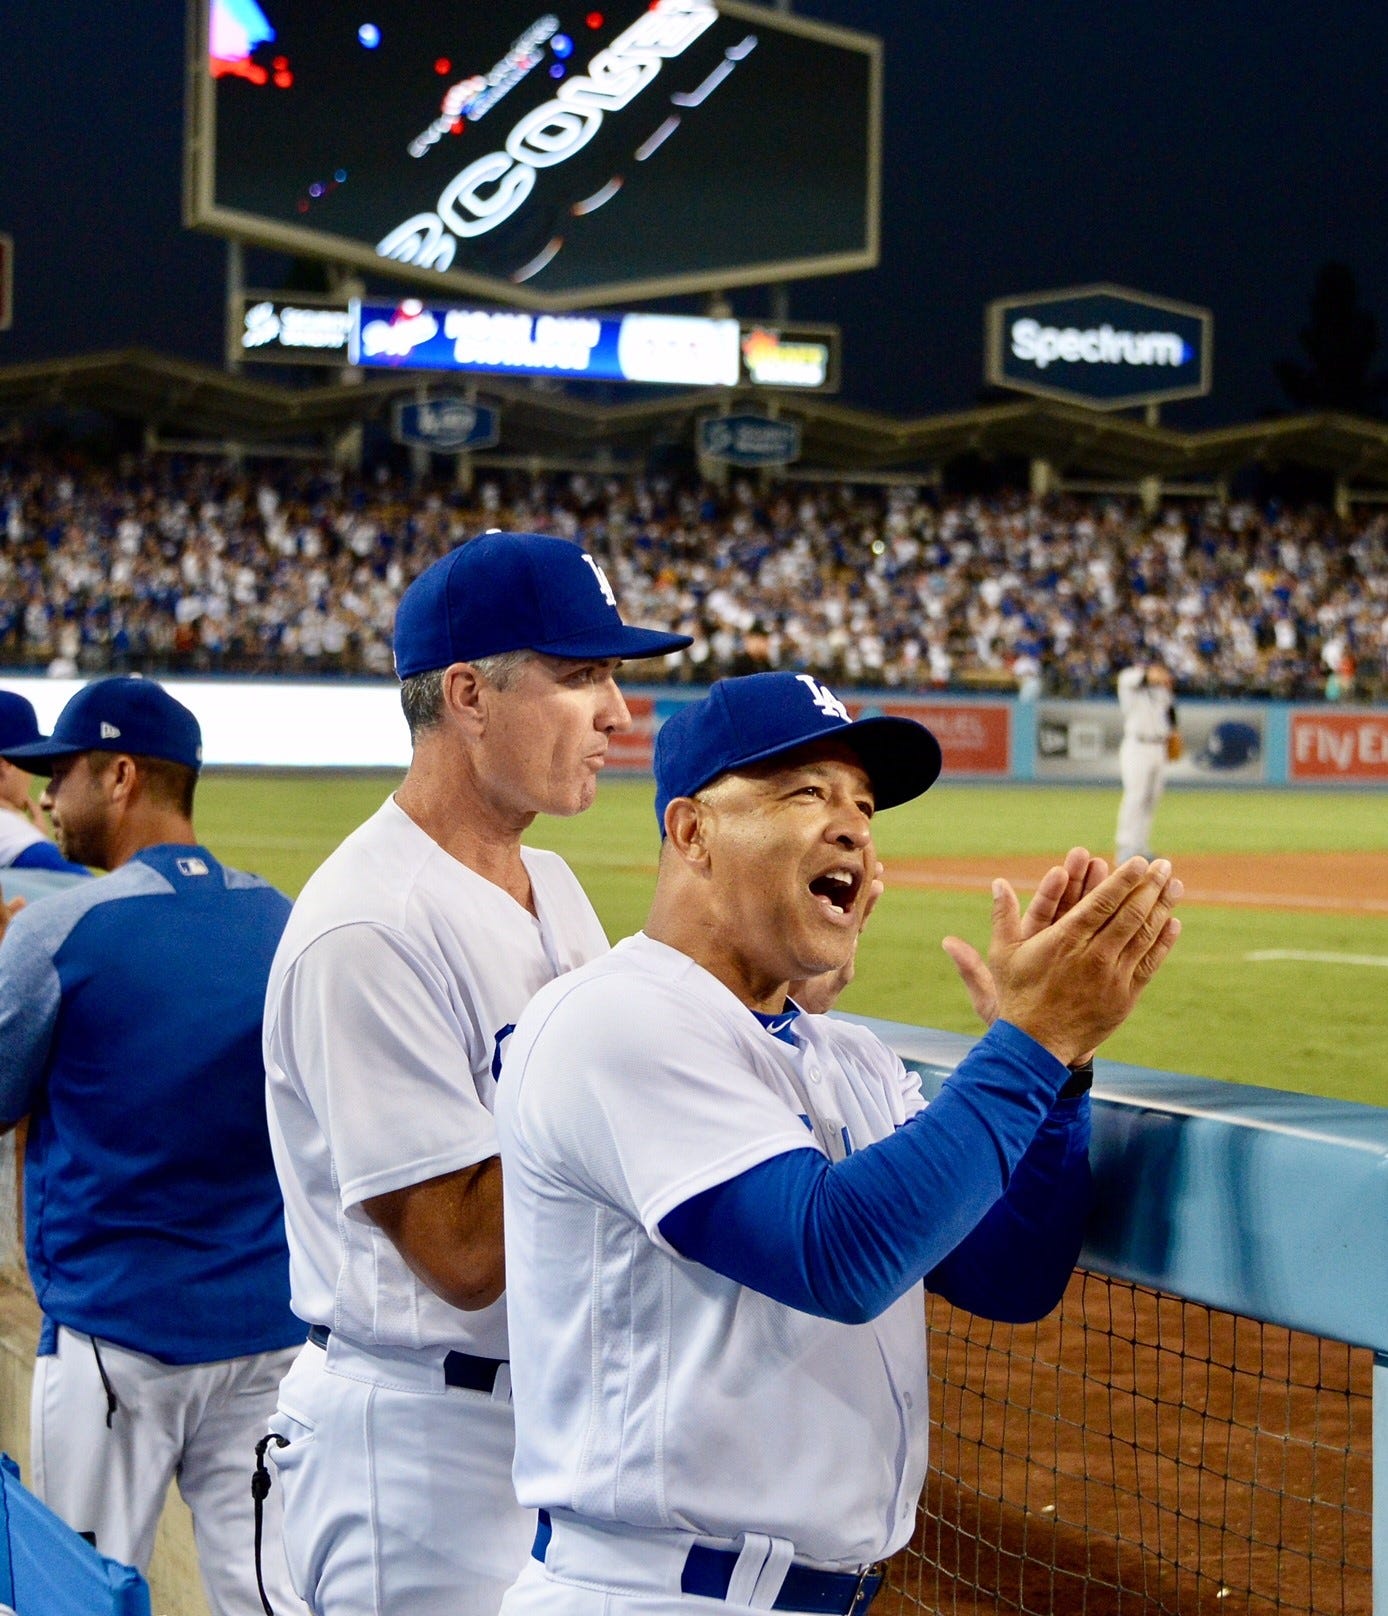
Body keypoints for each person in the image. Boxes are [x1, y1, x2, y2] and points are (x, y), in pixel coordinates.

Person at [493, 669, 1183, 1616]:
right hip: (651, 1592)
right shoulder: (612, 1019)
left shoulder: (847, 1057)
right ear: (692, 833)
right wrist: (1030, 1042)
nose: (854, 826)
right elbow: (838, 1255)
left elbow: (1008, 1275)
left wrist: (1059, 1071)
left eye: (864, 805)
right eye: (806, 793)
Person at [261, 532, 693, 1616]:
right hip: (416, 1444)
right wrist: (644, 1068)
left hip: (547, 1422)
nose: (617, 713)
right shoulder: (366, 925)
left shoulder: (553, 882)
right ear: (468, 695)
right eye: (581, 675)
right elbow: (458, 1253)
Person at [0, 676, 305, 1616]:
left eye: (66, 773)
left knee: (77, 1597)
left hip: (114, 1336)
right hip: (267, 1332)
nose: (50, 796)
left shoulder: (59, 929)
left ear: (121, 776)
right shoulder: (285, 920)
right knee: (268, 1597)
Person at [0, 692, 89, 875]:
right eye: (28, 765)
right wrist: (32, 841)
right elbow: (87, 885)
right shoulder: (11, 834)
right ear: (6, 764)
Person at [1115, 659, 1179, 862]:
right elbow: (1141, 678)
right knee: (1135, 796)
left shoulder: (1161, 691)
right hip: (1137, 746)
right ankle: (1126, 847)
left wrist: (1173, 731)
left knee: (1151, 799)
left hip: (1158, 747)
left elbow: (1169, 714)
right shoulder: (1129, 680)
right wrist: (1155, 676)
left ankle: (1141, 847)